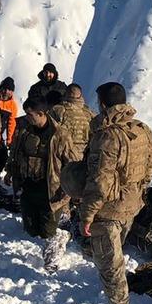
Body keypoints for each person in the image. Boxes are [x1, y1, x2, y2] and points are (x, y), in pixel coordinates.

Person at [78, 82, 152, 304]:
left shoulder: (107, 136)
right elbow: (149, 169)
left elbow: (99, 182)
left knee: (110, 264)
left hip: (108, 209)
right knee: (114, 257)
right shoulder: (142, 129)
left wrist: (87, 214)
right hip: (131, 205)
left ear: (102, 104)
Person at [5, 97, 67, 271]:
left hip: (50, 187)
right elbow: (15, 151)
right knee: (31, 229)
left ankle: (58, 242)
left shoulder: (59, 134)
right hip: (28, 183)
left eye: (30, 114)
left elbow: (71, 160)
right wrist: (10, 171)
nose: (27, 117)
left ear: (41, 114)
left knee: (47, 231)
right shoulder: (25, 130)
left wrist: (70, 186)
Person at [51, 83, 96, 236]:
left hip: (64, 152)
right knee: (82, 185)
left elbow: (51, 132)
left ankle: (64, 215)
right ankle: (81, 217)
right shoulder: (89, 112)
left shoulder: (58, 110)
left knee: (62, 184)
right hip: (85, 154)